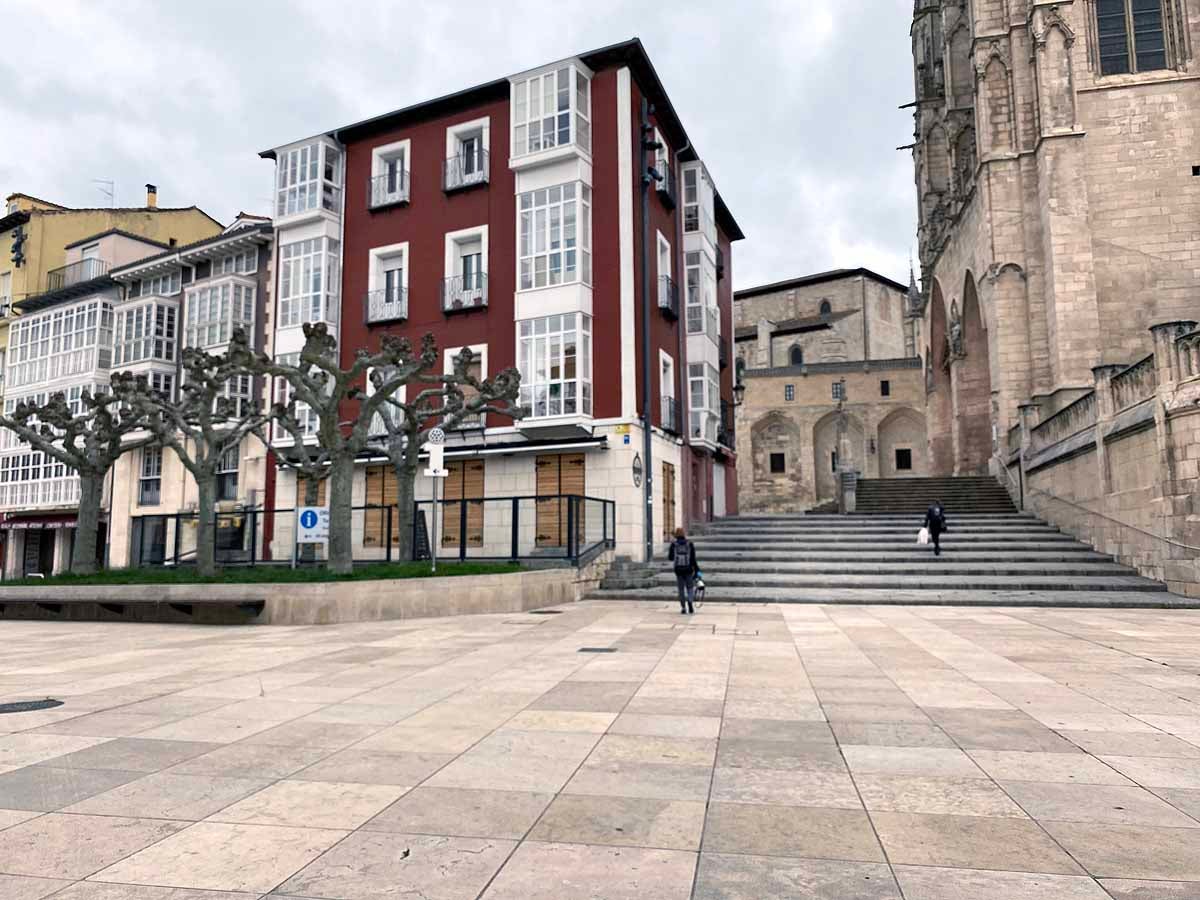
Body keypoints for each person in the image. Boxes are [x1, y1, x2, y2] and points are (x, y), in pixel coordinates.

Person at [668, 527, 699, 614]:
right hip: (688, 569)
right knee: (690, 587)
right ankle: (690, 601)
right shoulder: (690, 544)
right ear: (684, 534)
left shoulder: (674, 544)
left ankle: (683, 608)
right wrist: (697, 570)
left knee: (681, 589)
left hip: (678, 570)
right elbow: (693, 559)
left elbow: (670, 558)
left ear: (676, 534)